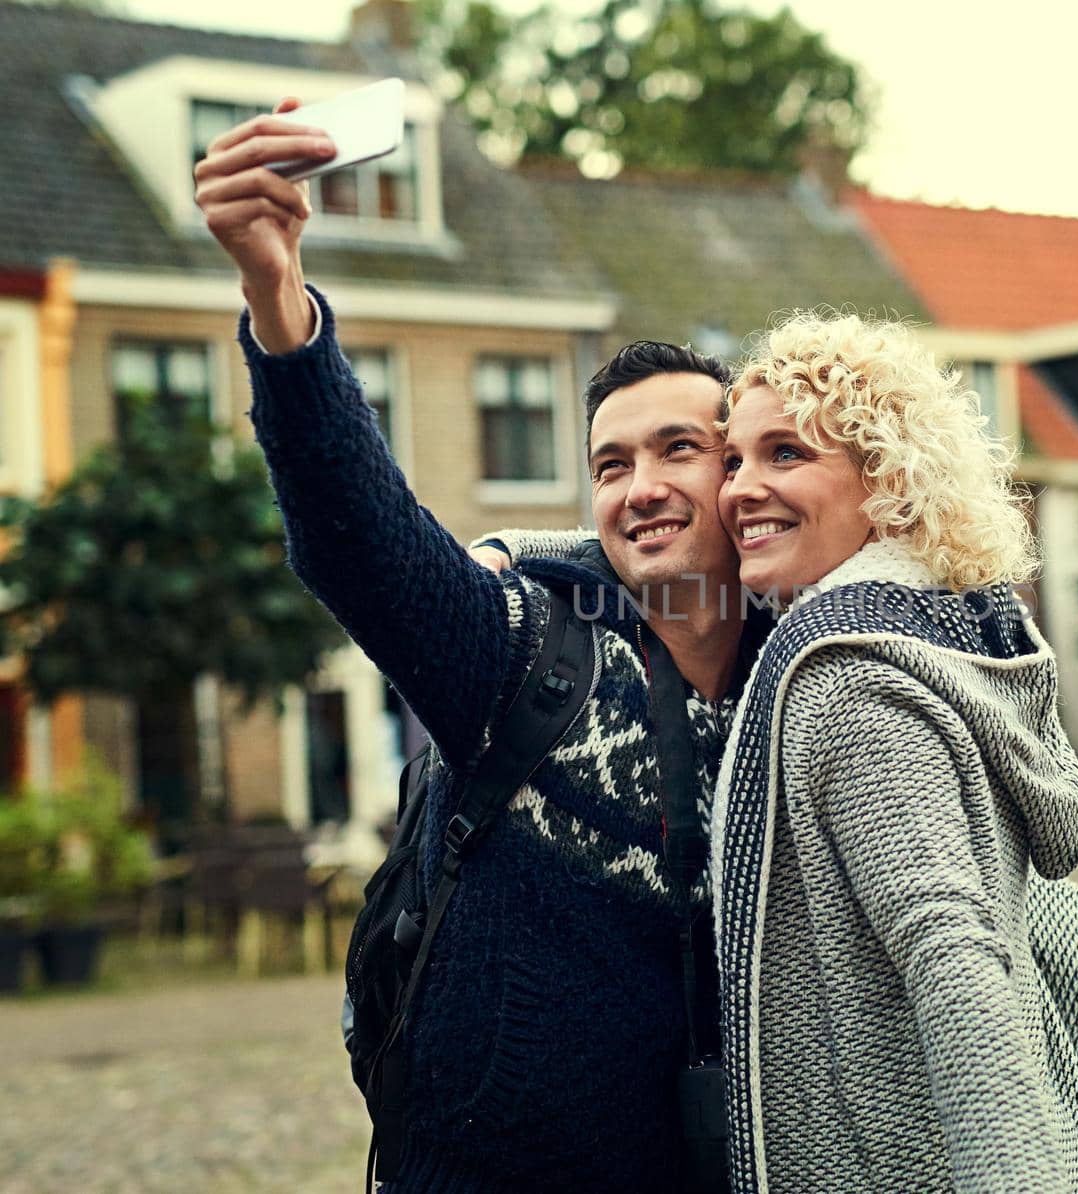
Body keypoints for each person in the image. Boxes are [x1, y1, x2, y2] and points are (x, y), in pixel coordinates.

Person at [195, 101, 756, 1192]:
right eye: (608, 465)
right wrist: (278, 300)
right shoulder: (522, 652)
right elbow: (365, 545)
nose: (639, 487)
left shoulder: (801, 690)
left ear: (741, 481)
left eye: (678, 450)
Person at [706, 311, 1078, 1191]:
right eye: (734, 460)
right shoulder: (953, 637)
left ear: (888, 483)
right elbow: (1001, 887)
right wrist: (524, 555)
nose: (738, 490)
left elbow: (950, 950)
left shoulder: (849, 686)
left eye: (785, 454)